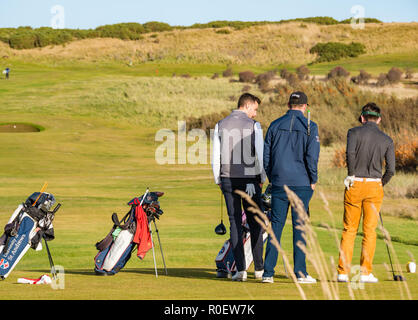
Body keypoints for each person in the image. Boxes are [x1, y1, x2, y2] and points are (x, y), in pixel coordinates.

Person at [262, 91, 320, 284]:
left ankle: (268, 273)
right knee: (299, 227)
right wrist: (314, 178)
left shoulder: (275, 124)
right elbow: (312, 158)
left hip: (279, 182)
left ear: (288, 105)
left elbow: (266, 158)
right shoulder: (311, 127)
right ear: (305, 106)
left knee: (275, 226)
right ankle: (300, 273)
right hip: (302, 183)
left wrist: (273, 177)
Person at [337, 103, 395, 283]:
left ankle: (343, 273)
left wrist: (351, 175)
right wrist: (380, 184)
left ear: (362, 118)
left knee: (349, 229)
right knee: (369, 231)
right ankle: (365, 273)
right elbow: (391, 170)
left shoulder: (353, 133)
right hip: (374, 187)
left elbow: (350, 154)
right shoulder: (387, 140)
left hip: (354, 184)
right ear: (379, 119)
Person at [212, 93, 266, 281]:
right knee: (255, 221)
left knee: (234, 223)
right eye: (255, 109)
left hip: (227, 179)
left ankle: (241, 270)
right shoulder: (254, 126)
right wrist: (262, 178)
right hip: (250, 179)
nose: (255, 113)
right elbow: (260, 154)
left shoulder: (220, 124)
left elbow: (215, 157)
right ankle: (259, 269)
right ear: (248, 106)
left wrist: (218, 179)